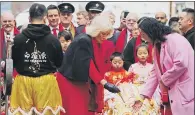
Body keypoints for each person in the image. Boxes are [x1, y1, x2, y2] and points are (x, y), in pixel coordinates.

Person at [57, 15, 120, 115]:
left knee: (83, 109)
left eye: (107, 34)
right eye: (103, 34)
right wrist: (104, 83)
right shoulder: (84, 40)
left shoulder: (93, 41)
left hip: (79, 80)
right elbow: (88, 65)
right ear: (96, 30)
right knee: (75, 110)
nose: (105, 37)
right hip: (70, 81)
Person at [9, 3, 65, 114]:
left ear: (29, 18)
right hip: (46, 83)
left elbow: (13, 62)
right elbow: (59, 63)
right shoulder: (53, 40)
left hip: (23, 83)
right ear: (45, 18)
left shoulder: (18, 39)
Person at [132, 17, 194, 115]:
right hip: (170, 93)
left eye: (143, 33)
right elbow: (155, 72)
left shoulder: (175, 39)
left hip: (184, 91)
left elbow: (181, 63)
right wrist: (142, 96)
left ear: (150, 32)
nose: (141, 36)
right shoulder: (158, 44)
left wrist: (164, 80)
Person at [128, 44, 161, 114]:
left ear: (148, 54)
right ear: (136, 55)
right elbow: (129, 81)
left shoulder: (152, 67)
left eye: (145, 53)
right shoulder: (133, 67)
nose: (142, 55)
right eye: (140, 53)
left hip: (149, 89)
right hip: (136, 90)